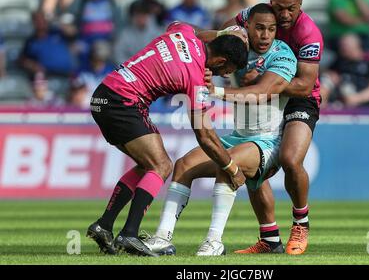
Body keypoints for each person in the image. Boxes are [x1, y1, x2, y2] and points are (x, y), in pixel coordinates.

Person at [142, 3, 298, 256]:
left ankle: (213, 241)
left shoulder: (282, 54)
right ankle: (162, 237)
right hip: (239, 137)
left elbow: (261, 93)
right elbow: (194, 36)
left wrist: (217, 91)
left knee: (229, 165)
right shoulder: (237, 45)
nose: (265, 35)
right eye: (259, 28)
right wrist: (220, 35)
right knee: (182, 165)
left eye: (271, 29)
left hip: (269, 141)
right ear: (247, 27)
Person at [86, 21, 249, 256]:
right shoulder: (195, 78)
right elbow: (205, 136)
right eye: (226, 71)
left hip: (104, 95)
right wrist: (232, 167)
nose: (222, 75)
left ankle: (104, 225)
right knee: (161, 165)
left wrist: (224, 33)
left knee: (147, 165)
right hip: (123, 103)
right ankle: (129, 234)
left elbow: (182, 25)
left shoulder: (184, 34)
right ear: (221, 61)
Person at [221, 0, 323, 255]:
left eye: (291, 9)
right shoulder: (257, 15)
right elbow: (226, 32)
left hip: (299, 100)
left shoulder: (308, 33)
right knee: (255, 164)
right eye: (279, 8)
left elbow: (303, 85)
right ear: (270, 1)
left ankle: (301, 223)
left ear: (301, 4)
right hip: (262, 95)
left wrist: (267, 82)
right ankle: (270, 239)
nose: (285, 15)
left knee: (290, 159)